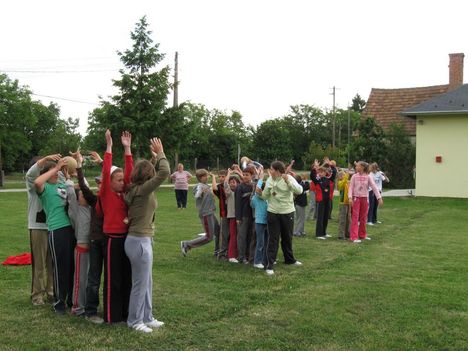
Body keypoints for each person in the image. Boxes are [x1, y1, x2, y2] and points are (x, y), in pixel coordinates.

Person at [125, 137, 170, 333]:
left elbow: (149, 173)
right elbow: (165, 172)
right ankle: (135, 321)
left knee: (147, 281)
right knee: (140, 284)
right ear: (148, 176)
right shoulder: (143, 190)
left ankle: (147, 317)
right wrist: (161, 153)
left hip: (140, 240)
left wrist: (152, 160)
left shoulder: (138, 188)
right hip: (139, 241)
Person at [98, 129, 134, 323]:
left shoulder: (124, 194)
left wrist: (127, 149)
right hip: (112, 240)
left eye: (122, 180)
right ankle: (112, 317)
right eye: (118, 180)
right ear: (109, 182)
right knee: (113, 281)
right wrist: (110, 146)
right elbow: (106, 169)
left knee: (126, 279)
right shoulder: (106, 192)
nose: (123, 182)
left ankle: (126, 313)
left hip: (126, 240)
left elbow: (129, 174)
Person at [34, 157, 76, 314]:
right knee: (60, 268)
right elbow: (37, 182)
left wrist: (73, 172)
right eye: (54, 172)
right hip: (57, 230)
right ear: (49, 172)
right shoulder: (44, 188)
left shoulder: (62, 185)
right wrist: (56, 167)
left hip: (71, 229)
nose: (57, 174)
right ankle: (59, 303)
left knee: (72, 267)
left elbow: (77, 189)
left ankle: (72, 300)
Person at [73, 151, 106, 324]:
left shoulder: (112, 199)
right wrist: (79, 166)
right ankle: (89, 311)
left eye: (102, 182)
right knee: (93, 278)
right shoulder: (94, 200)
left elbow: (116, 173)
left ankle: (109, 310)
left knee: (108, 278)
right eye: (98, 183)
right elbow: (83, 187)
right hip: (94, 242)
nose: (99, 185)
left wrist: (102, 161)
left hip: (109, 242)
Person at [258, 161, 303, 275]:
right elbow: (265, 196)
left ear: (277, 171)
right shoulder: (269, 180)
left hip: (287, 212)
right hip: (273, 212)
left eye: (272, 169)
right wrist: (260, 193)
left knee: (287, 237)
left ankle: (290, 260)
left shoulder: (288, 178)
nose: (270, 171)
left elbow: (299, 190)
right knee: (273, 239)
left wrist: (288, 181)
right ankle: (270, 265)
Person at [26, 155, 58, 306]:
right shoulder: (33, 185)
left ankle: (51, 293)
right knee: (38, 264)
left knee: (52, 263)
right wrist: (45, 159)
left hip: (52, 227)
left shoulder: (53, 184)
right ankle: (37, 295)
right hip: (38, 228)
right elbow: (31, 174)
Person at [65, 158, 91, 317]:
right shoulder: (75, 210)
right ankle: (77, 307)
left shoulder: (90, 207)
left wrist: (78, 171)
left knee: (88, 280)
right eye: (80, 194)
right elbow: (70, 194)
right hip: (81, 249)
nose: (83, 195)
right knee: (79, 280)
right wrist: (69, 179)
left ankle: (85, 304)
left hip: (91, 249)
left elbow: (85, 187)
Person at [180, 169, 220, 256]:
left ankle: (217, 251)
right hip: (206, 213)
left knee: (218, 231)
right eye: (204, 176)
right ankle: (186, 244)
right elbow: (196, 195)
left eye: (206, 175)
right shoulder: (198, 186)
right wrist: (200, 191)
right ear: (199, 178)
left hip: (211, 212)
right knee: (209, 237)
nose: (206, 177)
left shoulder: (206, 185)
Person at [348, 161, 383, 243]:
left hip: (365, 199)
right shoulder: (354, 176)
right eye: (356, 166)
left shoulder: (368, 177)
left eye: (358, 166)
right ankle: (354, 237)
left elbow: (374, 187)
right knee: (355, 218)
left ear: (362, 167)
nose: (356, 167)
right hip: (356, 199)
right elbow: (351, 187)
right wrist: (350, 197)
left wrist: (379, 198)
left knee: (364, 218)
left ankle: (362, 235)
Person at [310, 159, 337, 240]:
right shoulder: (317, 181)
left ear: (325, 173)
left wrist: (330, 164)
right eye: (319, 172)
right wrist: (315, 167)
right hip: (320, 201)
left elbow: (334, 172)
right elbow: (312, 175)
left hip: (327, 201)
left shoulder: (329, 179)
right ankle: (318, 234)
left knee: (325, 217)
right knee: (320, 218)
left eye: (322, 172)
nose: (320, 173)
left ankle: (324, 233)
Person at [235, 166, 255, 264]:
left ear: (252, 176)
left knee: (250, 236)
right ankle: (241, 257)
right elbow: (237, 203)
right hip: (243, 215)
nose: (245, 176)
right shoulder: (240, 187)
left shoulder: (253, 186)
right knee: (242, 236)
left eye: (247, 175)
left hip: (253, 215)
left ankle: (248, 255)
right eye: (244, 175)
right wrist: (238, 217)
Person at [250, 170, 268, 269]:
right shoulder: (257, 197)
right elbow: (257, 190)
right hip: (259, 222)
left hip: (267, 221)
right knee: (260, 243)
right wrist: (260, 179)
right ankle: (257, 261)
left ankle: (265, 259)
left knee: (266, 242)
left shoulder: (267, 197)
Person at [224, 169, 240, 262]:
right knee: (233, 235)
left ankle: (237, 254)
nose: (232, 184)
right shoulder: (229, 193)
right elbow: (225, 184)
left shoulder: (239, 191)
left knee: (239, 236)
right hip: (232, 216)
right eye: (231, 182)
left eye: (234, 182)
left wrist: (238, 172)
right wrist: (229, 174)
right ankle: (231, 256)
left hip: (239, 216)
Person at [212, 170, 229, 260]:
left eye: (223, 176)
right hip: (224, 214)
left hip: (233, 214)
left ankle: (228, 251)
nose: (221, 178)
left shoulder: (231, 185)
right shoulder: (219, 187)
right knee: (223, 234)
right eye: (220, 177)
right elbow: (214, 189)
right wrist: (213, 177)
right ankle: (221, 252)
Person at [337, 170, 351, 240]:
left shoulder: (346, 183)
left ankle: (347, 233)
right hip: (342, 203)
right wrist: (347, 175)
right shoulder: (340, 183)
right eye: (343, 175)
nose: (344, 176)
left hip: (348, 203)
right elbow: (344, 181)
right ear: (339, 177)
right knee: (342, 219)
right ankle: (341, 234)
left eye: (344, 175)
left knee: (348, 219)